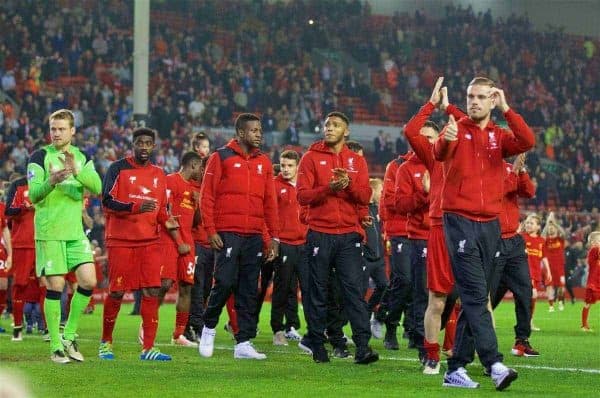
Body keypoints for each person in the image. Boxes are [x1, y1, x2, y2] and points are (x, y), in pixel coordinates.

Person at [434, 77, 535, 390]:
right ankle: (494, 363)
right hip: (460, 221)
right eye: (470, 96)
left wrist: (507, 108)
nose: (474, 101)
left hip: (491, 225)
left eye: (481, 97)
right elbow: (439, 152)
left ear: (492, 101)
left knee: (479, 296)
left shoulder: (499, 136)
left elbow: (528, 141)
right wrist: (446, 136)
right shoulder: (456, 129)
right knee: (478, 295)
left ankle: (456, 368)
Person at [297, 111, 378, 365]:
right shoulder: (310, 158)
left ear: (347, 131)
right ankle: (318, 346)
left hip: (349, 236)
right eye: (327, 125)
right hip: (319, 234)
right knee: (318, 292)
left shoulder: (357, 161)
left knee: (354, 292)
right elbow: (302, 196)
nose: (329, 128)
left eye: (335, 125)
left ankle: (363, 348)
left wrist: (348, 186)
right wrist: (329, 189)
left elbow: (365, 196)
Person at [198, 113, 280, 360]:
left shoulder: (264, 163)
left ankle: (243, 342)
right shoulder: (220, 157)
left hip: (254, 234)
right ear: (241, 133)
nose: (259, 134)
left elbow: (270, 203)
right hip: (227, 233)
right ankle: (209, 327)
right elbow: (206, 196)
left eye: (260, 130)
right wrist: (211, 230)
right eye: (254, 130)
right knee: (223, 282)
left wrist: (273, 238)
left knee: (248, 289)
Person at [27, 109, 102, 363]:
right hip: (50, 232)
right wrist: (51, 181)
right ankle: (56, 347)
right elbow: (34, 194)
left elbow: (98, 187)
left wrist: (75, 171)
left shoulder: (82, 157)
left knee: (89, 281)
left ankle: (68, 336)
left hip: (75, 232)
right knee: (56, 286)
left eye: (61, 129)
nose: (56, 133)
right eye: (53, 128)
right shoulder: (39, 156)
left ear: (73, 131)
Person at [99, 127, 179, 361]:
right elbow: (106, 202)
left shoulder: (159, 174)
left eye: (148, 143)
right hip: (121, 241)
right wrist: (135, 207)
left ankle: (149, 348)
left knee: (152, 290)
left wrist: (174, 229)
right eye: (139, 142)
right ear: (132, 144)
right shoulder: (118, 168)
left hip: (150, 241)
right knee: (116, 292)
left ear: (154, 146)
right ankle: (106, 343)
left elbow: (162, 210)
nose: (144, 147)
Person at [402, 78, 459, 375]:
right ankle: (432, 354)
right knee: (436, 298)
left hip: (468, 230)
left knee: (476, 300)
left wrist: (451, 109)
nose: (429, 141)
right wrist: (432, 104)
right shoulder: (433, 158)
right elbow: (411, 131)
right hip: (438, 229)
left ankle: (479, 355)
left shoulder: (467, 155)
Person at [395, 120, 436, 368]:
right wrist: (424, 193)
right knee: (422, 294)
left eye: (432, 138)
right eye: (424, 138)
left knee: (453, 295)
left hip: (448, 237)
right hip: (421, 237)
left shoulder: (445, 162)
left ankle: (454, 345)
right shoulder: (406, 170)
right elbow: (400, 206)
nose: (428, 142)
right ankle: (425, 348)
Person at [490, 154, 540, 358]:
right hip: (492, 241)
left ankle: (522, 341)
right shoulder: (484, 170)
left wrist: (522, 170)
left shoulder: (510, 168)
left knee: (525, 292)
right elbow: (499, 192)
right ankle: (466, 334)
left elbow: (529, 191)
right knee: (487, 298)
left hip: (513, 241)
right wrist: (514, 171)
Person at [160, 151, 205, 347]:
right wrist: (179, 242)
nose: (202, 172)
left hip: (189, 242)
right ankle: (146, 327)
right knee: (164, 284)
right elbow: (165, 213)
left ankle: (178, 335)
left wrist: (199, 203)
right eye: (200, 167)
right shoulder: (171, 181)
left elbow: (196, 222)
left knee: (187, 287)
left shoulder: (194, 189)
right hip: (170, 240)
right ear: (193, 165)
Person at [374, 150, 412, 351]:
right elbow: (389, 201)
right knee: (403, 280)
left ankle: (413, 329)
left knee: (419, 284)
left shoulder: (437, 164)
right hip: (401, 231)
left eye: (432, 138)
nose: (429, 142)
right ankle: (390, 324)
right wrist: (421, 196)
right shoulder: (396, 166)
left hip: (427, 232)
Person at [270, 150, 307, 346]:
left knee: (305, 288)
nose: (285, 169)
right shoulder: (274, 186)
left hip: (304, 244)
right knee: (282, 288)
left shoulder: (305, 186)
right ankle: (277, 329)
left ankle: (294, 327)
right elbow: (270, 215)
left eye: (290, 166)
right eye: (283, 165)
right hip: (284, 243)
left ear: (298, 167)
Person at [4, 174, 37, 341]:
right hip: (23, 243)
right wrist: (25, 208)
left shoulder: (50, 184)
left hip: (46, 241)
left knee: (49, 283)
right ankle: (17, 327)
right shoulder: (18, 185)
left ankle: (48, 329)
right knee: (20, 284)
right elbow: (8, 211)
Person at [521, 213, 551, 331]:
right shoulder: (521, 237)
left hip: (536, 273)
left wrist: (548, 272)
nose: (528, 224)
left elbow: (543, 257)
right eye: (527, 222)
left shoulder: (541, 241)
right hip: (524, 272)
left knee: (531, 297)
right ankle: (528, 322)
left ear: (538, 226)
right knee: (532, 295)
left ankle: (529, 321)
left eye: (531, 223)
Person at [542, 213, 567, 312]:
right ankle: (551, 306)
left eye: (553, 228)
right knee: (549, 287)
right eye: (550, 228)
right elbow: (543, 234)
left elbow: (563, 232)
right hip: (548, 268)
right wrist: (548, 223)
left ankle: (560, 302)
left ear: (556, 229)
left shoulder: (560, 239)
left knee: (561, 287)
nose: (551, 229)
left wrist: (554, 223)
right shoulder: (545, 240)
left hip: (560, 267)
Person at [581, 231, 600, 331]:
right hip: (593, 284)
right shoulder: (594, 250)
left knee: (588, 303)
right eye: (599, 240)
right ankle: (584, 325)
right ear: (592, 242)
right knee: (588, 303)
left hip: (597, 283)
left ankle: (584, 325)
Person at [0, 201, 12, 330]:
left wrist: (10, 253)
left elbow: (5, 229)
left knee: (3, 285)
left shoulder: (2, 207)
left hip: (0, 252)